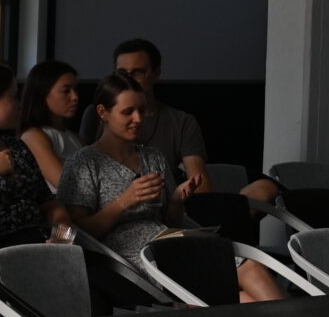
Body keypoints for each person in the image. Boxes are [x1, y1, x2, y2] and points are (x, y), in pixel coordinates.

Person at [61, 75, 284, 303]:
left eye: (141, 110)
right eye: (128, 112)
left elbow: (171, 221)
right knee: (243, 294)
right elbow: (79, 232)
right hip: (131, 258)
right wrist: (123, 202)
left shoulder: (152, 156)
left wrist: (176, 200)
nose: (138, 119)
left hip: (168, 241)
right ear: (103, 112)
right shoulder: (84, 162)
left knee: (250, 270)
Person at [107, 37, 278, 205]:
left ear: (155, 72)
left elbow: (200, 186)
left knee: (264, 188)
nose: (128, 80)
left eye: (137, 72)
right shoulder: (100, 116)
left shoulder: (180, 122)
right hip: (114, 207)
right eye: (122, 74)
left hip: (165, 209)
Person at [0, 63, 61, 249]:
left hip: (43, 241)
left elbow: (49, 203)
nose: (20, 104)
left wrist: (61, 233)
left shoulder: (16, 145)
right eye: (15, 96)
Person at [16, 59, 85, 189]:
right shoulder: (34, 135)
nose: (75, 97)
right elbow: (64, 184)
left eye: (76, 89)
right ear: (42, 93)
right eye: (66, 91)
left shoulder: (76, 138)